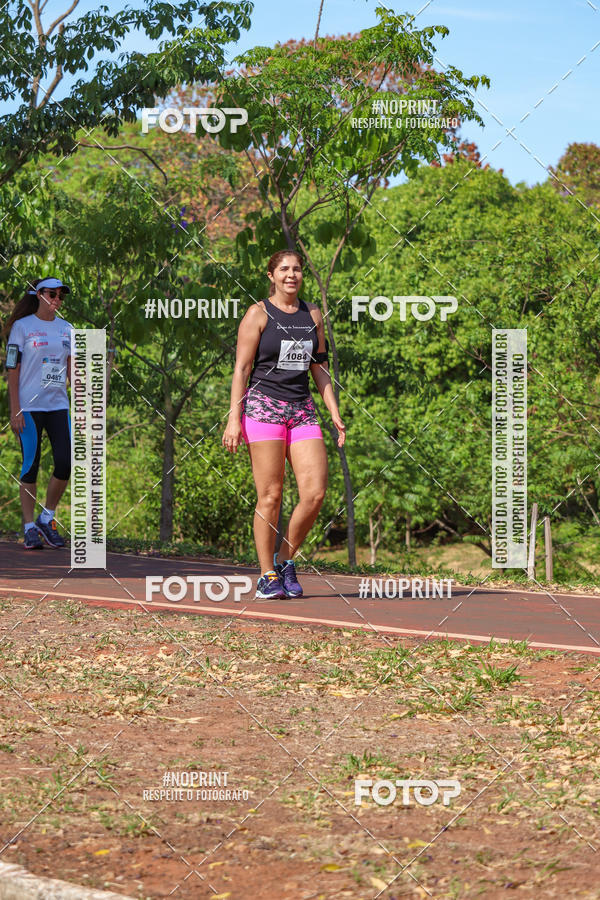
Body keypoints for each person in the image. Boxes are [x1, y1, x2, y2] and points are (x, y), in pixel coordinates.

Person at [222, 250, 345, 598]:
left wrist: (333, 410)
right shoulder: (257, 314)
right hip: (263, 409)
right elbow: (241, 370)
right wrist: (234, 420)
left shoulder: (313, 315)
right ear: (271, 275)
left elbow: (318, 366)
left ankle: (285, 558)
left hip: (302, 408)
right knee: (271, 495)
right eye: (284, 269)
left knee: (315, 493)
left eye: (297, 269)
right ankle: (266, 576)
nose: (292, 275)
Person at [3, 277, 73, 549]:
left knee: (65, 463)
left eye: (61, 296)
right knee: (30, 465)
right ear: (38, 295)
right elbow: (12, 370)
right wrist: (15, 409)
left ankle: (48, 517)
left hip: (58, 405)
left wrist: (86, 387)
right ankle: (29, 526)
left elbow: (73, 368)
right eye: (52, 294)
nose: (56, 300)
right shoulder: (22, 327)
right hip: (29, 408)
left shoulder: (67, 329)